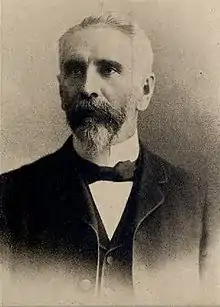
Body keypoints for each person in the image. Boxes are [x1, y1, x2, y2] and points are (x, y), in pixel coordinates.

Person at [0, 14, 210, 304]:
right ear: (61, 91)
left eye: (108, 69)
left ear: (144, 91)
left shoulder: (199, 201)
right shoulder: (8, 196)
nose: (87, 88)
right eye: (75, 70)